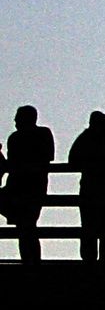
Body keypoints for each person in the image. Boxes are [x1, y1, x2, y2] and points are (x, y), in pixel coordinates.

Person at [71, 111, 105, 262]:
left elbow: (73, 159)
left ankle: (92, 263)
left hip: (93, 189)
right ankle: (102, 262)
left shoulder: (88, 138)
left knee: (91, 229)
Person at [4, 106, 54, 263]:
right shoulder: (43, 134)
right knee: (27, 226)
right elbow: (48, 157)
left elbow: (11, 163)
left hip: (21, 187)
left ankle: (30, 261)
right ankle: (31, 262)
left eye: (18, 117)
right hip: (34, 186)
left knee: (25, 227)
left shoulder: (15, 138)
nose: (15, 121)